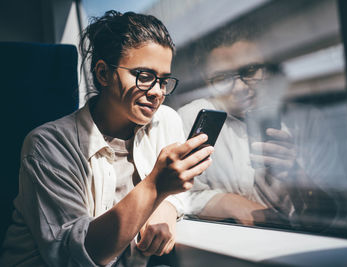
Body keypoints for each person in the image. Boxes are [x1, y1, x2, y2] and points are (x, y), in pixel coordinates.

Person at [1, 10, 214, 267]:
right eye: (144, 77)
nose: (157, 92)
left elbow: (178, 194)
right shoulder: (47, 146)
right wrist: (155, 186)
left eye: (164, 80)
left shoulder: (166, 121)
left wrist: (166, 207)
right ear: (103, 74)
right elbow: (73, 257)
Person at [177, 32, 339, 229]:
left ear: (268, 69)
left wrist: (297, 176)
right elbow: (176, 196)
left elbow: (331, 212)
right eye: (222, 79)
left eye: (250, 71)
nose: (238, 88)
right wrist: (229, 203)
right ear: (206, 80)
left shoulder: (306, 121)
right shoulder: (190, 118)